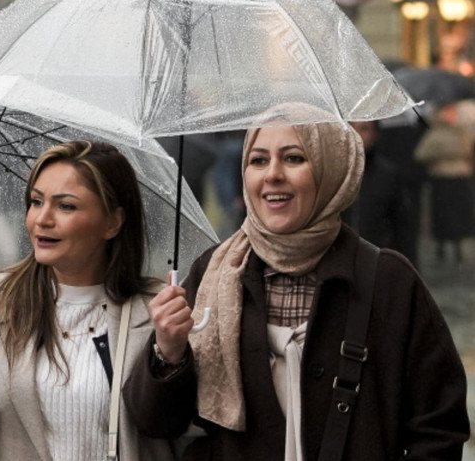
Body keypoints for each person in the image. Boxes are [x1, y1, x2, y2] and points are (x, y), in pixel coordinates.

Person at [124, 112, 470, 459]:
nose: (273, 174)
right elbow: (156, 424)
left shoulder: (389, 281)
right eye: (258, 160)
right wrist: (168, 351)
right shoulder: (213, 273)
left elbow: (439, 428)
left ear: (329, 170)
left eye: (294, 158)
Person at [0, 140, 176, 460]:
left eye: (66, 206)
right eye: (36, 202)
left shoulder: (159, 311)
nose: (42, 219)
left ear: (113, 222)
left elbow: (181, 434)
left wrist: (171, 356)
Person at [414, 104, 475, 264]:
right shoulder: (456, 133)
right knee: (451, 214)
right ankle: (452, 247)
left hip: (448, 179)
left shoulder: (441, 134)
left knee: (448, 214)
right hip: (452, 179)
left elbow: (421, 154)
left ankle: (448, 246)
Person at [344, 120, 413, 258]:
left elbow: (402, 226)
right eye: (351, 128)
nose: (356, 135)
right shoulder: (331, 172)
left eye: (364, 129)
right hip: (340, 260)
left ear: (375, 134)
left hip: (378, 259)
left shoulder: (388, 175)